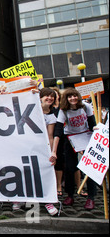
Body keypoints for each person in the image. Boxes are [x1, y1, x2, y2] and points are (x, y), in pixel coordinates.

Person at [52, 88, 97, 210]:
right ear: (66, 99)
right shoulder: (63, 111)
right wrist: (54, 150)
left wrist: (97, 131)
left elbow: (92, 124)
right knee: (70, 168)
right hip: (70, 139)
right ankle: (70, 195)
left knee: (90, 168)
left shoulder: (86, 107)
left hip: (86, 136)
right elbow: (58, 129)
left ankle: (91, 198)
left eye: (74, 96)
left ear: (78, 96)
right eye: (70, 97)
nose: (73, 99)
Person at [39, 87, 59, 216]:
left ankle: (48, 201)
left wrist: (52, 152)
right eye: (47, 96)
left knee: (45, 173)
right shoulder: (32, 108)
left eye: (52, 96)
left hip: (43, 148)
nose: (50, 98)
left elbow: (50, 135)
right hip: (29, 146)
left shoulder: (52, 115)